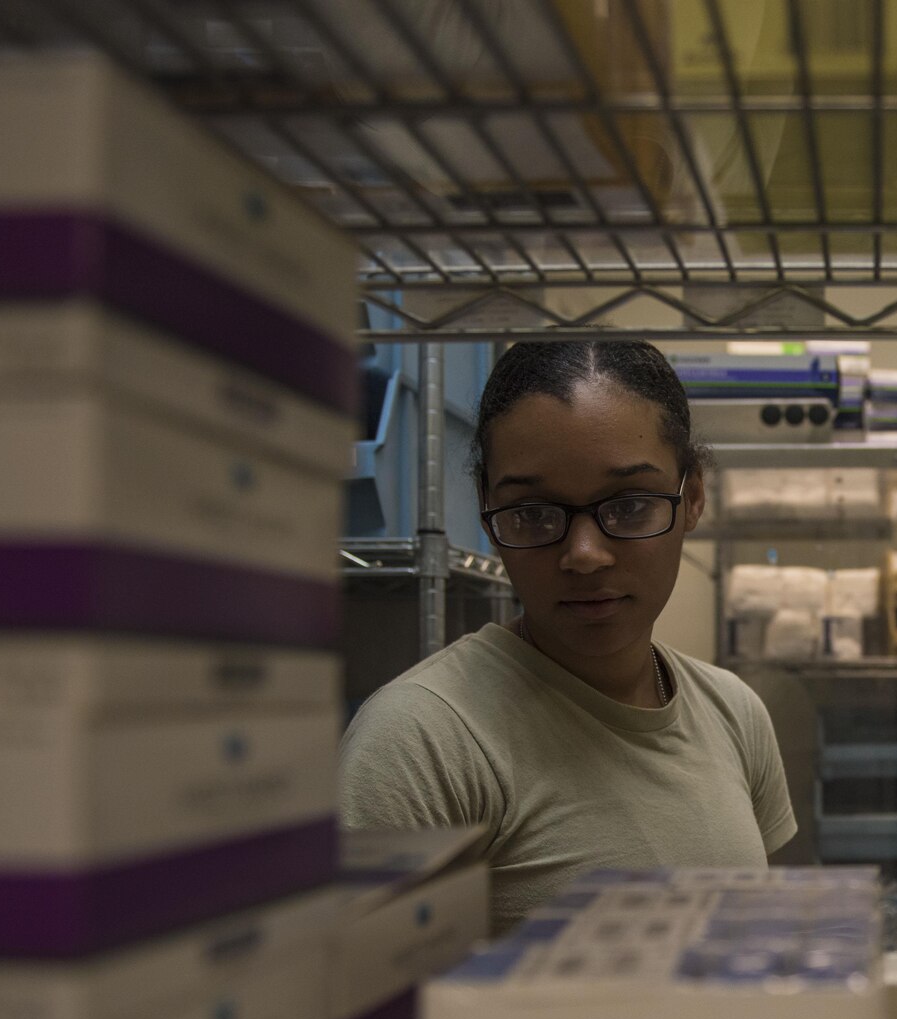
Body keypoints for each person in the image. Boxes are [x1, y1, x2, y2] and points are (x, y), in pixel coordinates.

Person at [339, 339, 796, 931]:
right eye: (532, 512)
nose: (583, 555)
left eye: (629, 505)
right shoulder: (421, 744)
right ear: (486, 509)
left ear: (694, 498)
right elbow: (362, 1011)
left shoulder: (735, 713)